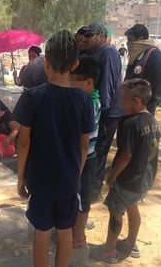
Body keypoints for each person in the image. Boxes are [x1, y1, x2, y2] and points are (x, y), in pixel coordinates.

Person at [14, 30, 95, 267]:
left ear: (46, 63)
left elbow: (24, 142)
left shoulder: (32, 97)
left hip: (40, 181)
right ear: (75, 64)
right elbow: (84, 144)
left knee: (42, 232)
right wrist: (76, 173)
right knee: (64, 231)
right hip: (69, 180)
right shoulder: (83, 100)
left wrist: (21, 177)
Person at [90, 78, 161, 263]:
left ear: (136, 101)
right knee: (132, 207)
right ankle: (130, 244)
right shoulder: (153, 121)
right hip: (144, 179)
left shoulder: (130, 124)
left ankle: (109, 250)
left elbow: (126, 156)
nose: (119, 103)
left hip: (128, 180)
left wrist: (112, 176)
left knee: (116, 211)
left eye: (122, 99)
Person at [81, 22, 123, 202]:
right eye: (84, 35)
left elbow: (107, 86)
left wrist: (101, 115)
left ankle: (93, 192)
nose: (84, 38)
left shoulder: (108, 53)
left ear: (100, 36)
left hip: (106, 113)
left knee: (98, 153)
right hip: (99, 110)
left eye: (89, 35)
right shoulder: (95, 53)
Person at [69, 57, 101, 257]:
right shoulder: (83, 99)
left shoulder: (91, 102)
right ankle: (72, 229)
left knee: (84, 199)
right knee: (75, 196)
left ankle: (78, 236)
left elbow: (83, 141)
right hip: (77, 157)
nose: (70, 85)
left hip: (86, 160)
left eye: (74, 81)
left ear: (89, 83)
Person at [124, 24, 161, 115]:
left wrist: (155, 97)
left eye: (130, 40)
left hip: (144, 106)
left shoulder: (154, 54)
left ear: (141, 39)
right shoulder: (137, 55)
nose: (128, 43)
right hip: (131, 104)